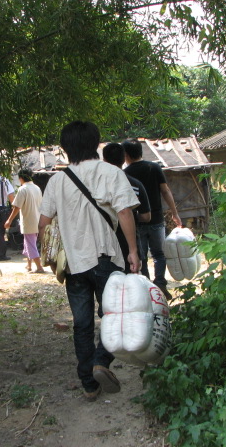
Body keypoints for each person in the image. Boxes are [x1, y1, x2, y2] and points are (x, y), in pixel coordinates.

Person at [39, 121, 140, 402]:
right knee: (114, 315)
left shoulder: (57, 181)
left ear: (65, 148)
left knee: (81, 324)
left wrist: (51, 258)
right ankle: (101, 361)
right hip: (107, 257)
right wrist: (133, 251)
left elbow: (44, 223)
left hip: (73, 263)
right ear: (96, 143)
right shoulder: (112, 172)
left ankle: (89, 385)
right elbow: (125, 213)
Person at [122, 139, 182, 300]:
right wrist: (175, 213)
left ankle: (148, 287)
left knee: (141, 256)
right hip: (157, 220)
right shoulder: (154, 167)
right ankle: (160, 283)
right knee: (159, 254)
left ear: (126, 155)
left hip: (138, 221)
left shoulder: (126, 173)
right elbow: (165, 190)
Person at [102, 142, 151, 273]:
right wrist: (132, 218)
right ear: (124, 159)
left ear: (104, 160)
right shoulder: (135, 184)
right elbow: (146, 216)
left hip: (104, 245)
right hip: (129, 244)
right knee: (132, 282)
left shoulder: (98, 186)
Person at [4, 168, 44, 273]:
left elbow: (17, 207)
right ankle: (29, 265)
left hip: (28, 221)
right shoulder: (37, 188)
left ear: (21, 178)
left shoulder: (23, 189)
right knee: (28, 243)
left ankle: (39, 267)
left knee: (30, 244)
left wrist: (9, 220)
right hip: (37, 220)